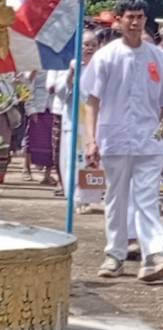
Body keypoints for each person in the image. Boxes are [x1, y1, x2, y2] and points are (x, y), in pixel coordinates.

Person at [82, 0, 163, 281]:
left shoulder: (157, 57)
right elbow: (92, 101)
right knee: (116, 197)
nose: (135, 22)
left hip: (149, 139)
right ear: (119, 21)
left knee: (147, 198)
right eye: (130, 17)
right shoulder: (106, 56)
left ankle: (154, 254)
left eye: (139, 17)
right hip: (114, 137)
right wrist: (91, 139)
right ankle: (115, 254)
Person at [52, 29, 101, 214]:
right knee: (72, 161)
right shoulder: (71, 66)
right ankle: (74, 197)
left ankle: (87, 199)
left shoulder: (100, 68)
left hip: (92, 124)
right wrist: (71, 75)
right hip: (73, 122)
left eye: (93, 45)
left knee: (90, 162)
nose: (89, 48)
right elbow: (60, 93)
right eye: (86, 45)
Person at [23, 70, 56, 185]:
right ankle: (26, 169)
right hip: (37, 107)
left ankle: (47, 175)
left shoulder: (60, 64)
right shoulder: (35, 64)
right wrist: (30, 109)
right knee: (31, 140)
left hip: (53, 107)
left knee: (52, 142)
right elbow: (26, 86)